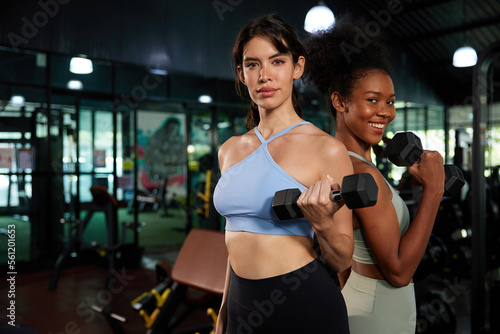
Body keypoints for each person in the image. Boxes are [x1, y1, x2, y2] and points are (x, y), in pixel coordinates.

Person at [304, 14, 446, 333]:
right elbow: (398, 271)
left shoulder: (335, 162)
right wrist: (434, 191)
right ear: (340, 101)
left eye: (390, 101)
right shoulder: (359, 171)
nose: (385, 111)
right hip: (378, 314)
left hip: (357, 300)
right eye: (372, 100)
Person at [213, 13, 353, 334]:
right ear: (241, 73)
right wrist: (224, 312)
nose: (265, 75)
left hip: (303, 301)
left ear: (297, 67)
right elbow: (234, 239)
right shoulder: (230, 149)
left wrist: (322, 222)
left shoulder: (327, 149)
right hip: (240, 303)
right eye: (253, 64)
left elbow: (343, 259)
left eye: (277, 61)